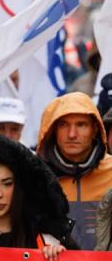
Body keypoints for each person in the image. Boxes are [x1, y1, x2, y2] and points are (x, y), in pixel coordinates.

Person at [36, 92, 112, 250]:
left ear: (95, 129)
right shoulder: (36, 177)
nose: (71, 134)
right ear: (53, 130)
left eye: (81, 124)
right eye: (63, 125)